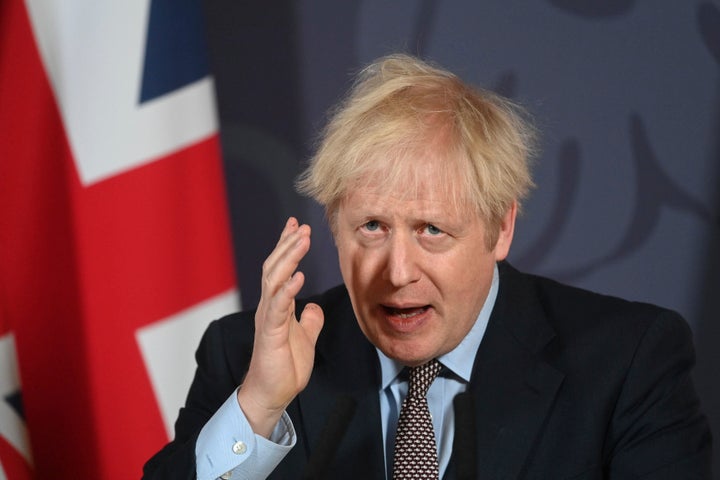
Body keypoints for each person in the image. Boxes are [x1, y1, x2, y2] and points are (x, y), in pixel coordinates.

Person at [143, 54, 712, 479]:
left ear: (501, 228)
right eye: (372, 228)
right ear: (334, 226)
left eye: (432, 230)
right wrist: (260, 408)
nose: (397, 273)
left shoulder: (628, 363)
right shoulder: (244, 355)